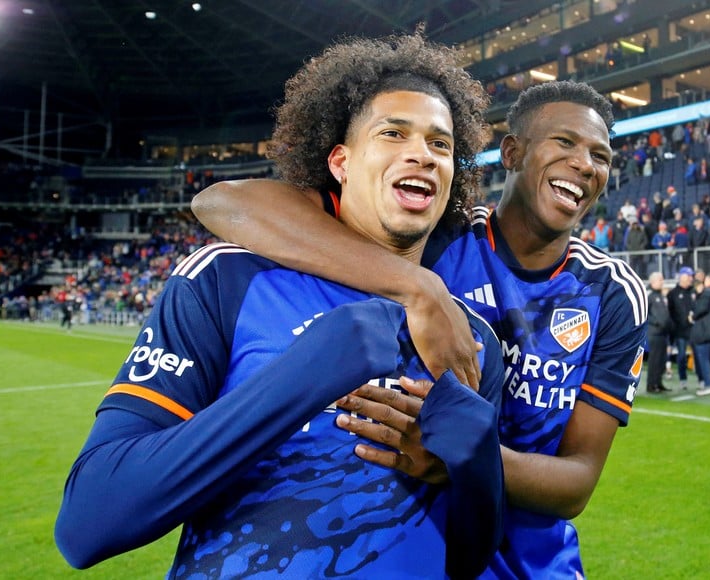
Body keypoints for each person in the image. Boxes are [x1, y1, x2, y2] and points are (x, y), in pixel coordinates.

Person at [55, 33, 507, 579]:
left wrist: (477, 472)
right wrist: (300, 378)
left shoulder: (469, 334)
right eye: (393, 133)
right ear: (340, 162)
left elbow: (468, 557)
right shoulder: (227, 278)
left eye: (441, 145)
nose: (422, 154)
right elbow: (88, 523)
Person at [193, 80, 648, 578]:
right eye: (565, 142)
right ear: (512, 152)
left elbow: (578, 482)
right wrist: (419, 287)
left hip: (535, 566)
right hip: (414, 546)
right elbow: (224, 204)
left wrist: (462, 459)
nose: (585, 163)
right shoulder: (431, 231)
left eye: (600, 155)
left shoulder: (612, 293)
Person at [667, 266, 696, 390]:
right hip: (680, 331)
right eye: (689, 276)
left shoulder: (693, 291)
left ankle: (702, 380)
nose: (691, 279)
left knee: (699, 355)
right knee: (682, 356)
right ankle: (683, 379)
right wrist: (673, 327)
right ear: (682, 277)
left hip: (695, 329)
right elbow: (669, 312)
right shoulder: (673, 293)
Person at [646, 272, 672, 393]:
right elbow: (644, 313)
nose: (662, 282)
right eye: (660, 280)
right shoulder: (649, 294)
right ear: (653, 281)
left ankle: (659, 382)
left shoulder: (661, 295)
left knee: (662, 359)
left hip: (663, 332)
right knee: (655, 360)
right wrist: (655, 322)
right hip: (654, 332)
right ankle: (651, 384)